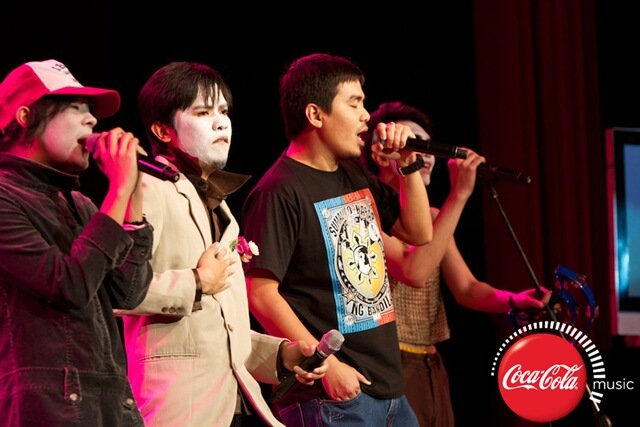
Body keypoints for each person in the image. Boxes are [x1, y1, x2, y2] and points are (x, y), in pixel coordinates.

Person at [117, 61, 327, 427]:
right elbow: (116, 288)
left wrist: (281, 355)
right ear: (163, 130)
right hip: (179, 410)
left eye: (224, 111)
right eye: (203, 112)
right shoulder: (146, 188)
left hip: (236, 405)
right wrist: (196, 282)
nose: (221, 123)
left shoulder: (220, 205)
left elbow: (221, 333)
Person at [241, 53, 433, 427]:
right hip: (330, 397)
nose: (366, 116)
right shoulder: (278, 191)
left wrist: (407, 163)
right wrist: (326, 364)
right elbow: (260, 292)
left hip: (387, 389)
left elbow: (419, 232)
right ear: (316, 114)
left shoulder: (352, 173)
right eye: (354, 103)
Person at [361, 101, 552, 427]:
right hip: (390, 363)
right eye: (417, 145)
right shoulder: (367, 211)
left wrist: (515, 299)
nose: (428, 157)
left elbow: (466, 288)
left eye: (431, 148)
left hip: (432, 365)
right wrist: (460, 195)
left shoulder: (435, 217)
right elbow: (414, 271)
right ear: (381, 155)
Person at [0, 59, 154, 426]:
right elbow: (68, 284)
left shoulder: (81, 204)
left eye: (91, 112)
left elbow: (128, 293)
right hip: (51, 409)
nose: (92, 121)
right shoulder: (5, 197)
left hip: (112, 406)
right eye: (75, 108)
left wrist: (133, 196)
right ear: (25, 116)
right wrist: (118, 189)